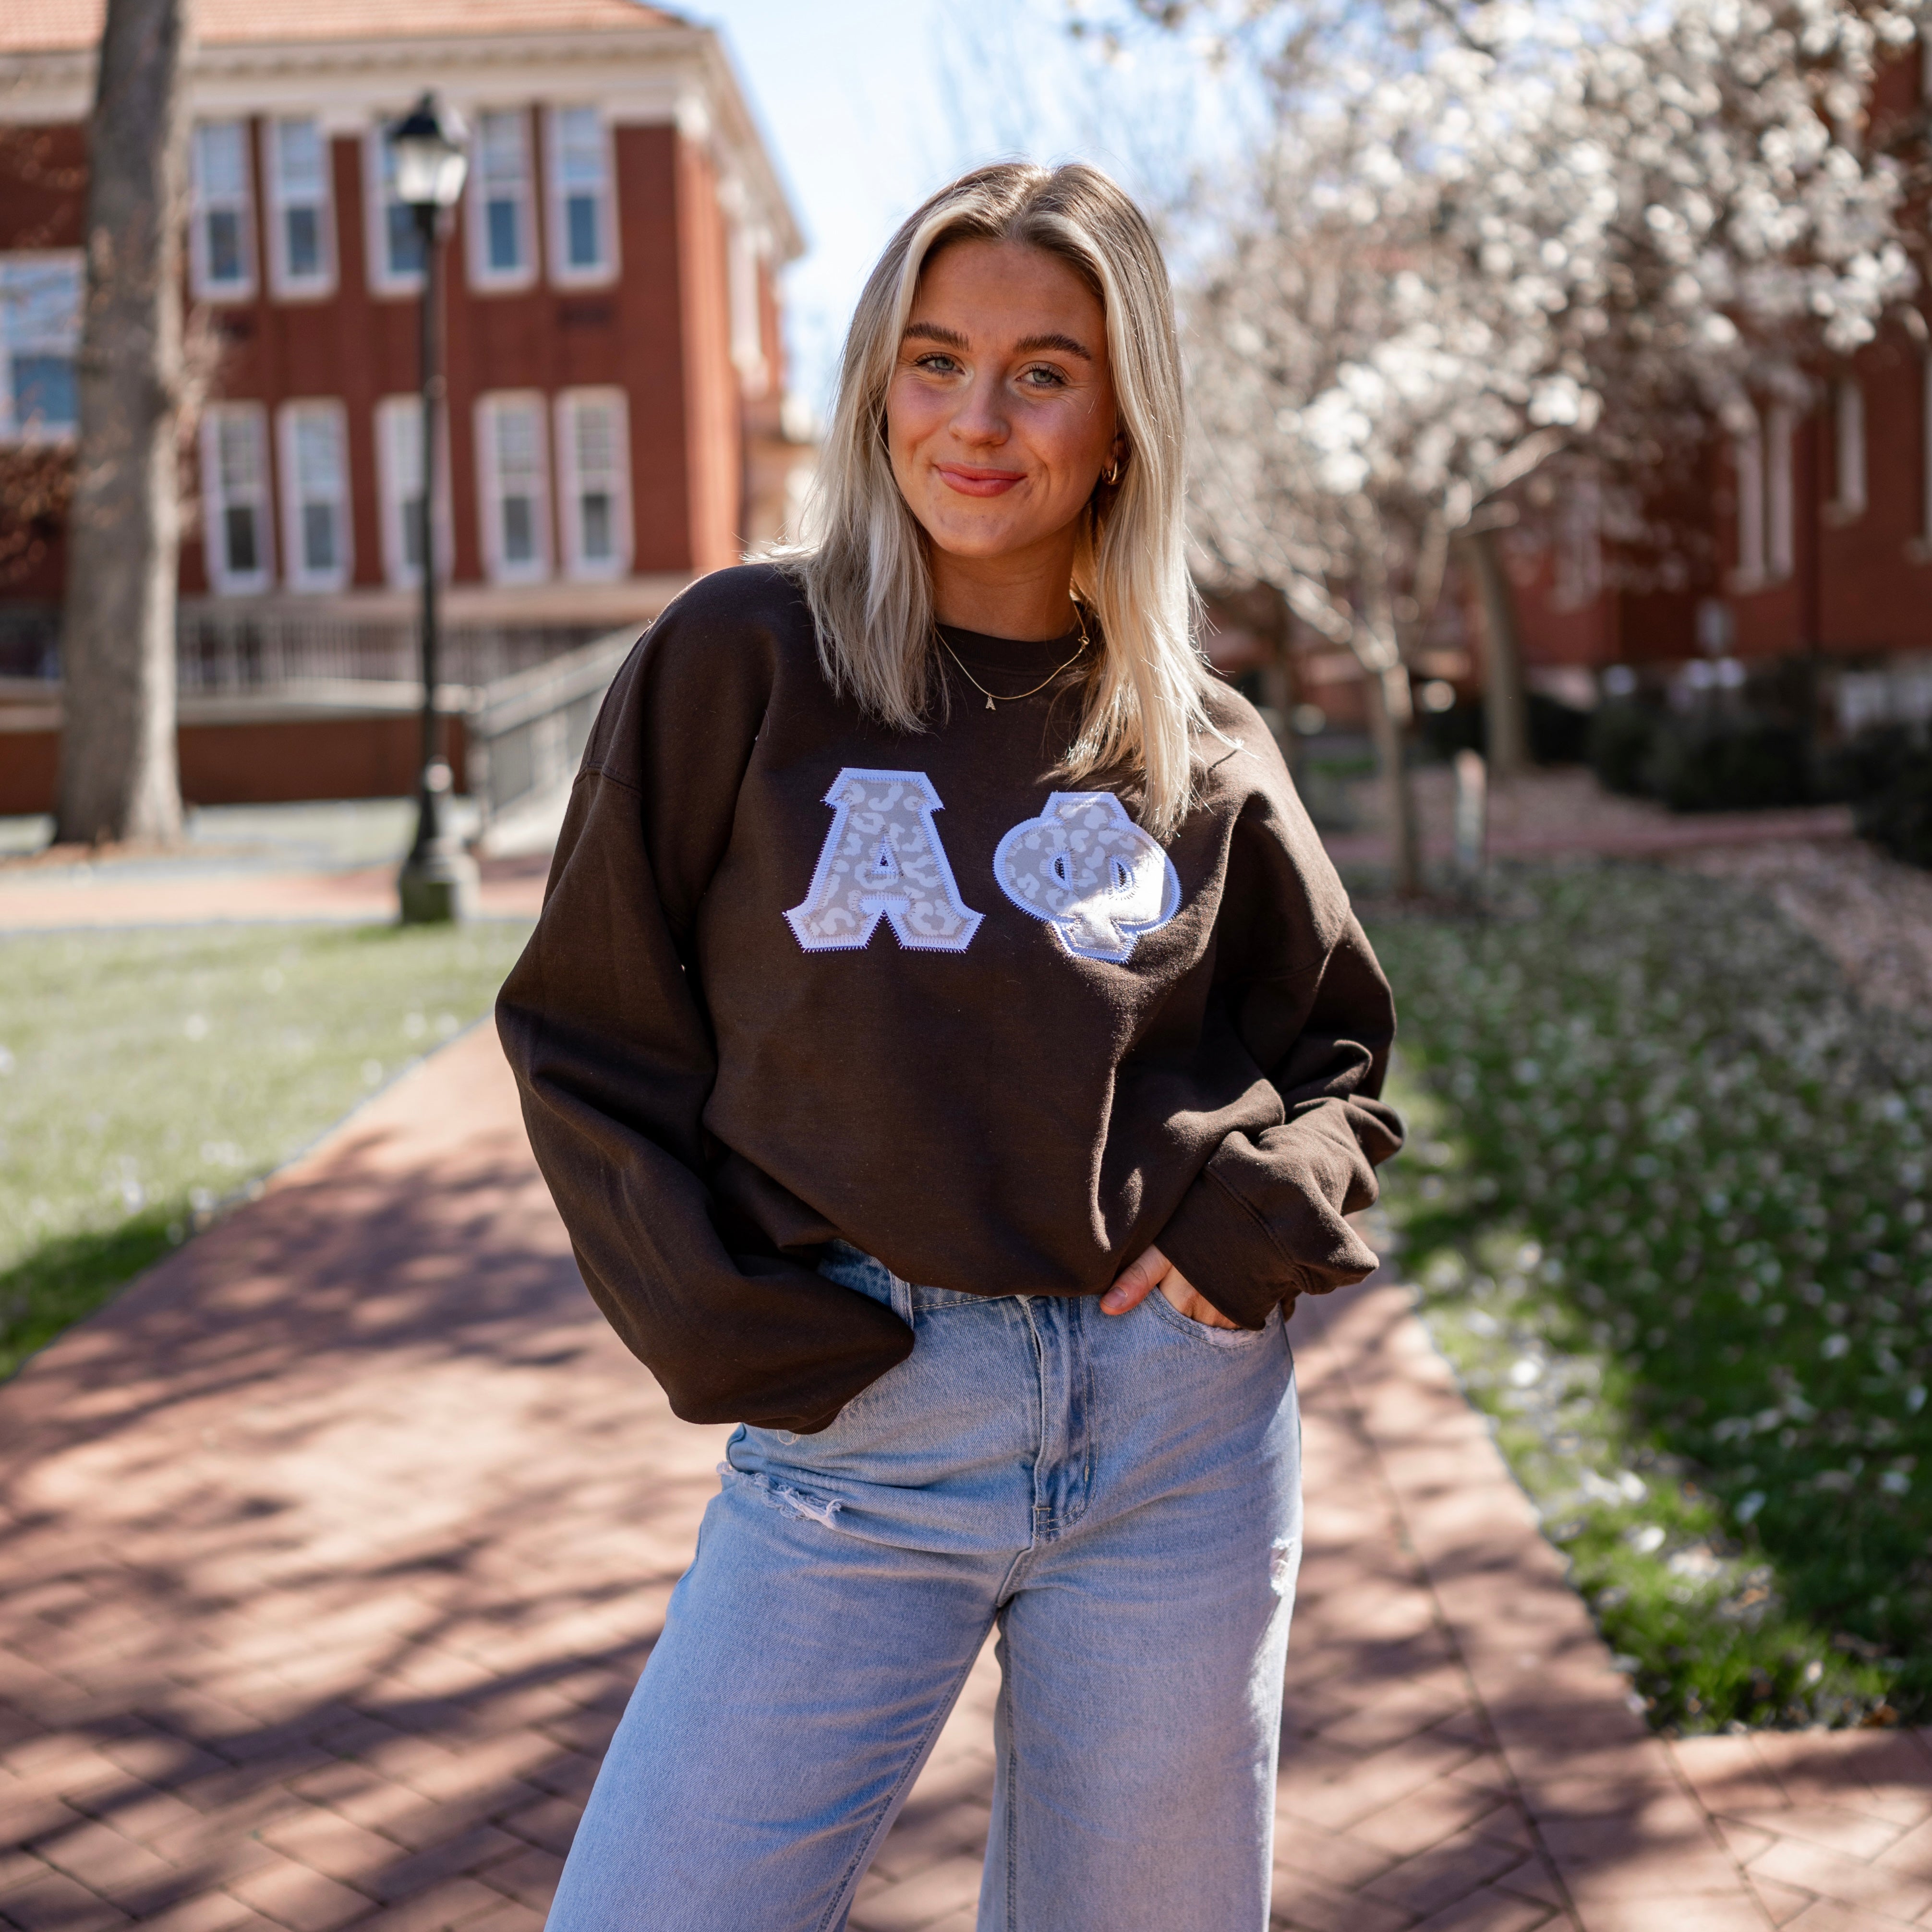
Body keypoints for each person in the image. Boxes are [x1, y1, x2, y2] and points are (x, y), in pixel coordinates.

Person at [497, 160, 1403, 1932]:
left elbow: (1336, 1053)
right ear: (876, 385)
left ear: (1124, 415)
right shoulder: (745, 658)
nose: (975, 420)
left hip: (1177, 1449)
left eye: (1042, 371)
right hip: (864, 1426)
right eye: (934, 359)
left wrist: (1249, 1228)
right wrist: (724, 1322)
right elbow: (585, 1025)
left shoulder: (1196, 739)